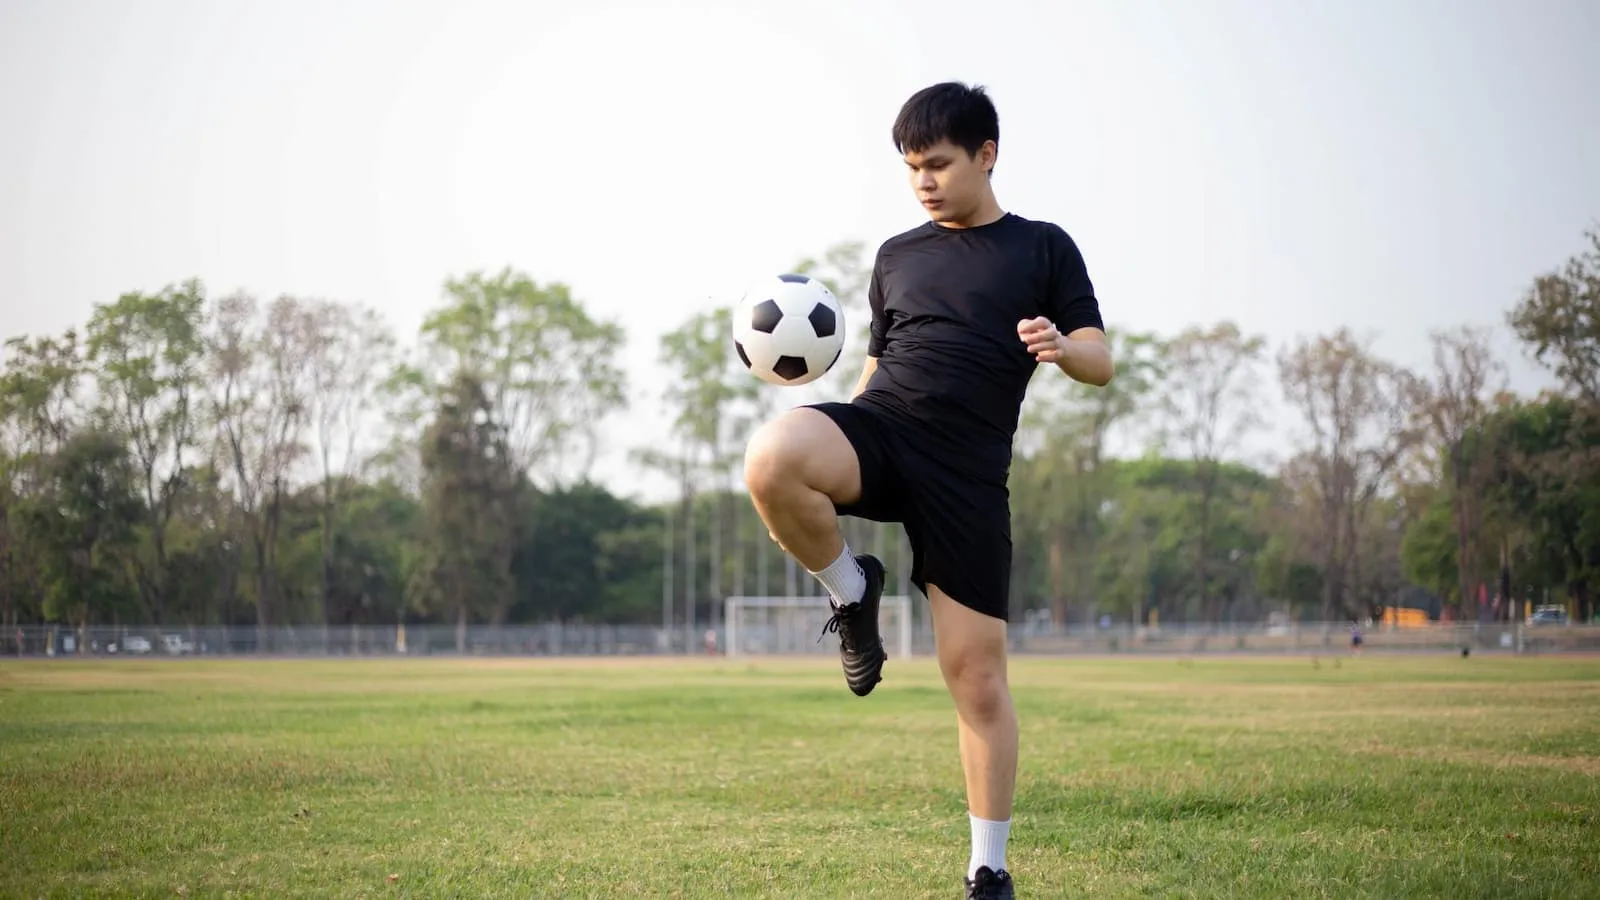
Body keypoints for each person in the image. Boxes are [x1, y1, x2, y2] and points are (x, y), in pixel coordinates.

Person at [743, 81, 1114, 899]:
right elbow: (880, 361)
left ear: (987, 155)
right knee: (771, 458)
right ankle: (851, 591)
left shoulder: (1044, 248)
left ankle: (989, 868)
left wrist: (1058, 345)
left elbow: (1100, 358)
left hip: (968, 473)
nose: (924, 181)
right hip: (886, 430)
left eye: (938, 164)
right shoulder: (896, 255)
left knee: (975, 676)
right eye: (912, 168)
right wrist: (852, 418)